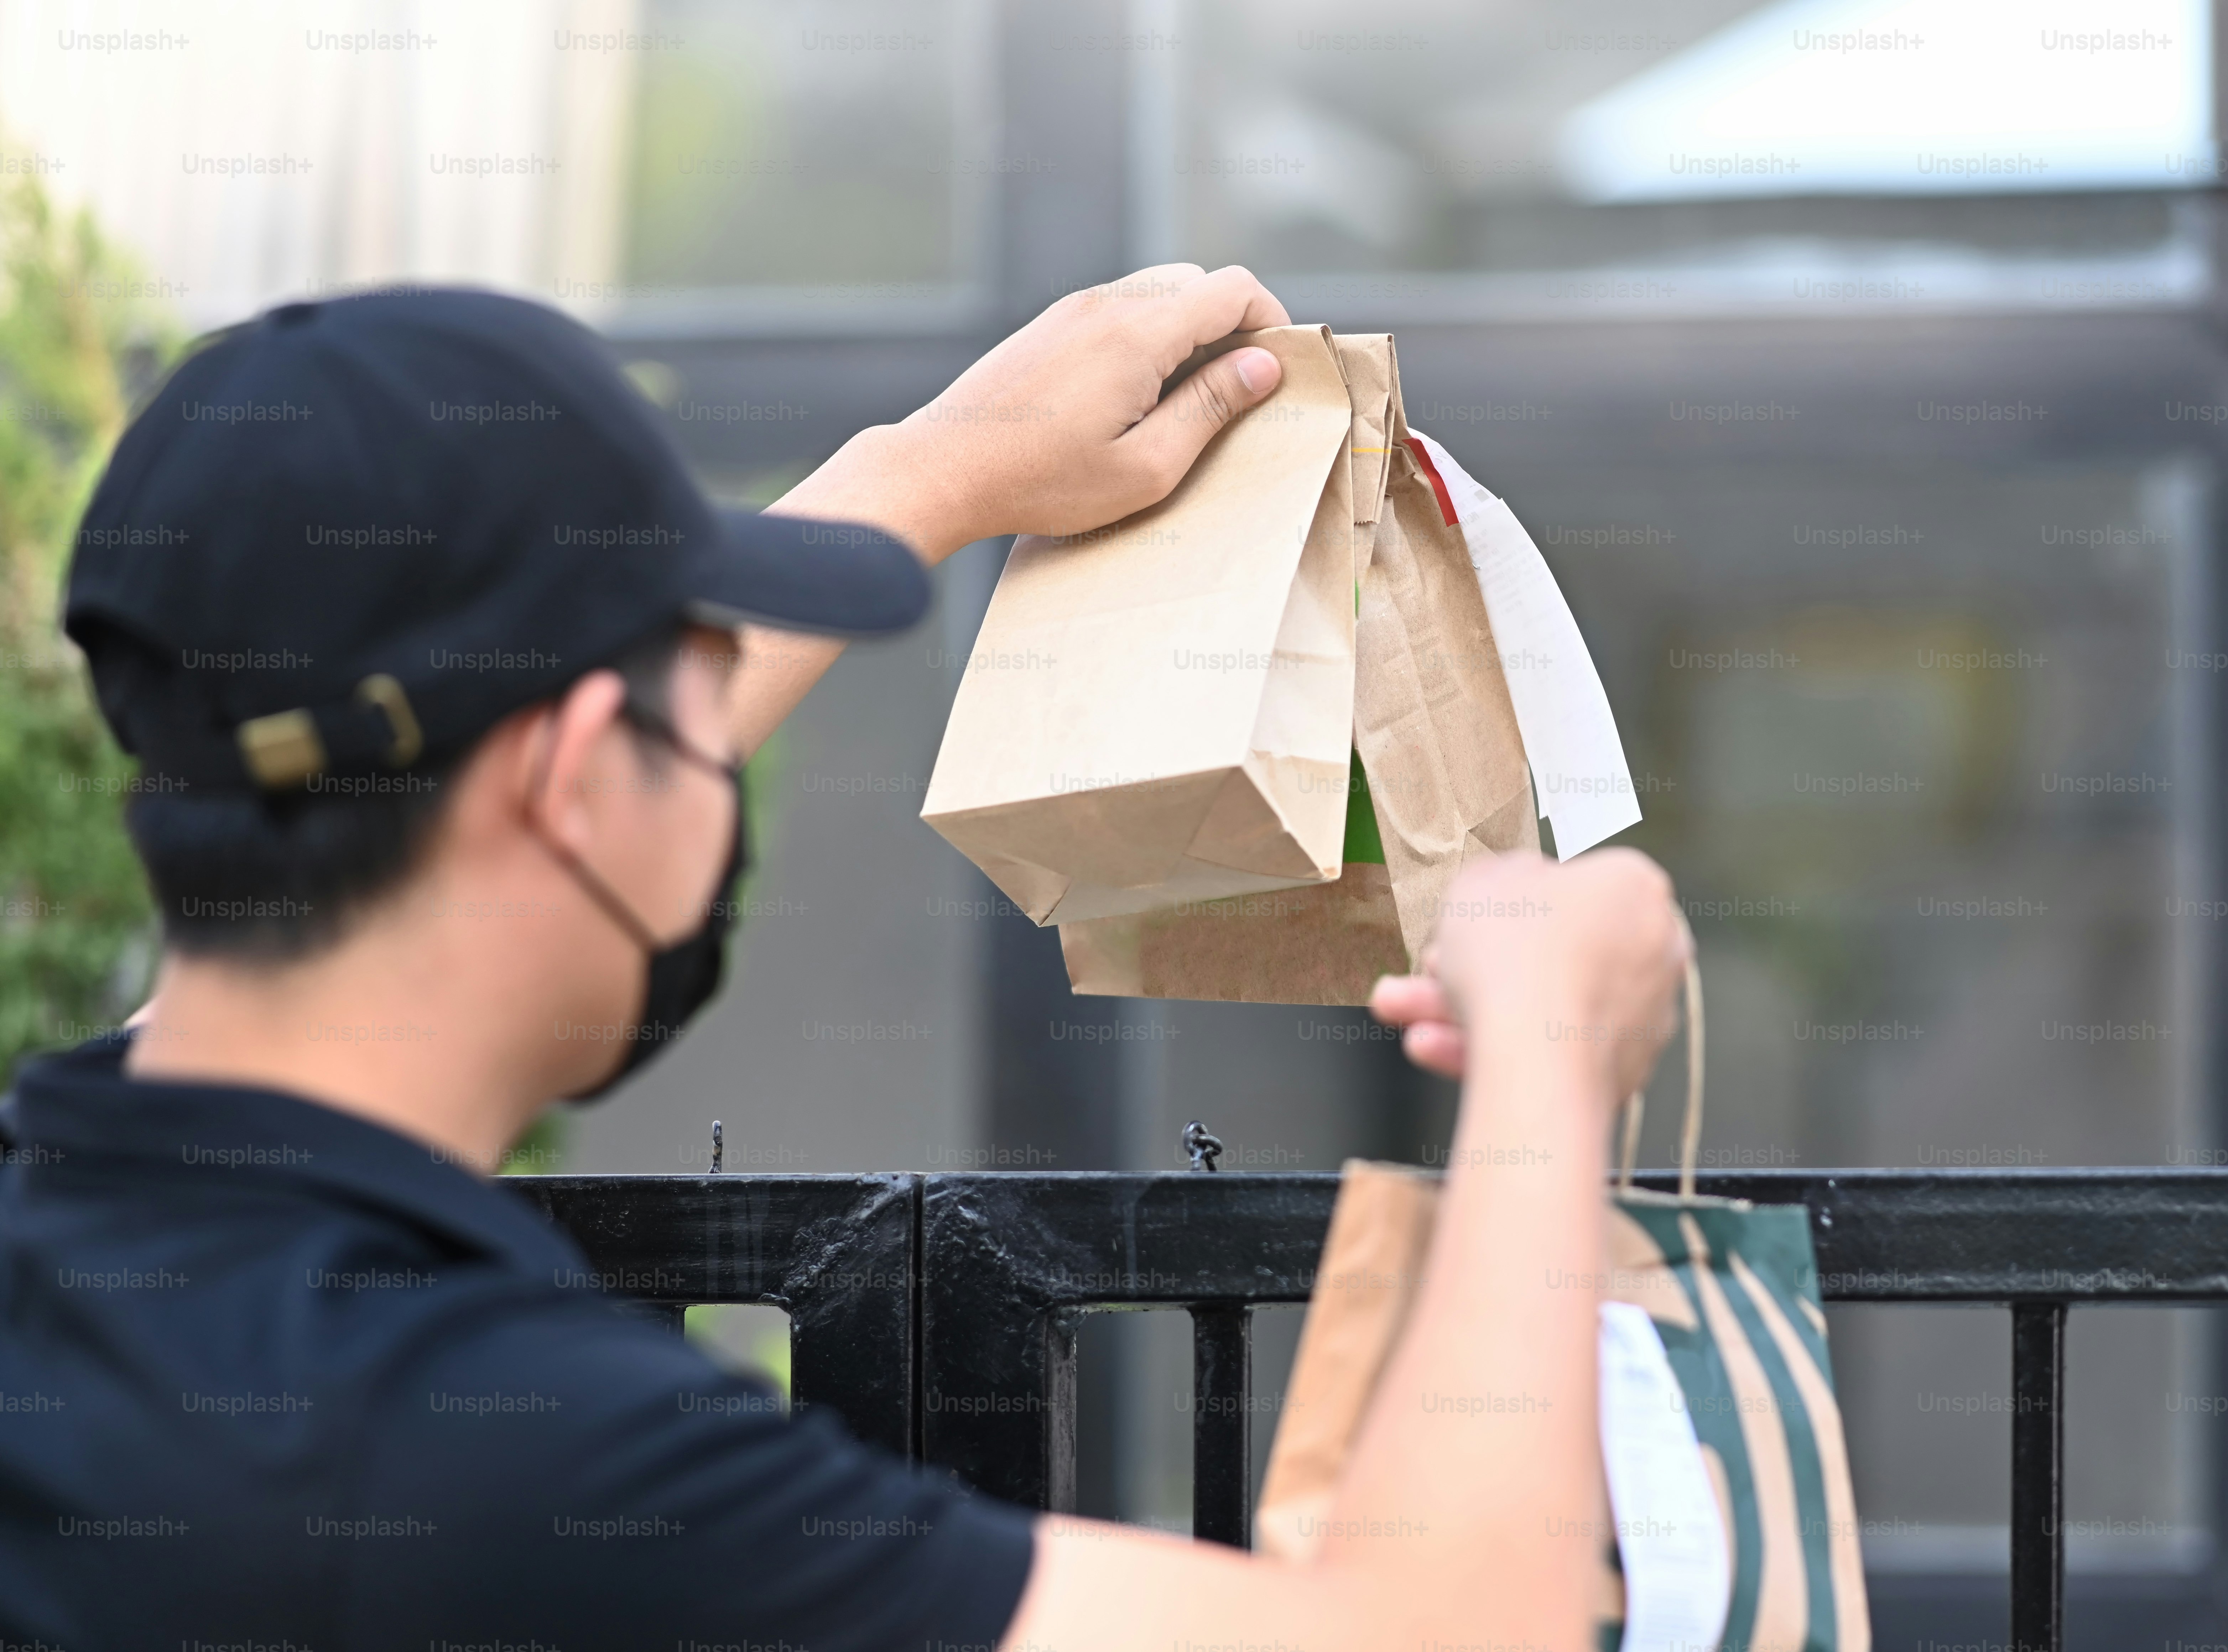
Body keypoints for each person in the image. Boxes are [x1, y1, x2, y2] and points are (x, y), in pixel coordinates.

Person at [0, 271, 1687, 1650]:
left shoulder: (77, 1236)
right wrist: (1549, 1059)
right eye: (687, 689)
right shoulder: (514, 1461)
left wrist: (940, 472)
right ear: (579, 775)